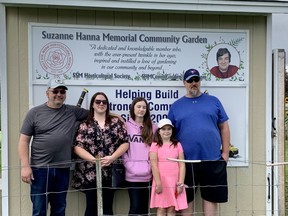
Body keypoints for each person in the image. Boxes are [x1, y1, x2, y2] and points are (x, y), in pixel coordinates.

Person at [18, 78, 88, 216]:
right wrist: (25, 166)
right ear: (47, 93)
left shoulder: (73, 111)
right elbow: (23, 141)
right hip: (40, 169)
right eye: (55, 91)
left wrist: (119, 118)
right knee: (39, 210)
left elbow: (97, 112)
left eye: (62, 91)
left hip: (63, 169)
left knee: (59, 209)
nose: (59, 94)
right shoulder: (35, 113)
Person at [168, 68, 230, 216]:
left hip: (213, 159)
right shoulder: (176, 106)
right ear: (184, 83)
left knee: (210, 200)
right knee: (186, 200)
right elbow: (168, 133)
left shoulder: (214, 101)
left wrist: (225, 154)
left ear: (200, 81)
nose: (193, 83)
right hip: (186, 162)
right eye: (190, 81)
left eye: (196, 80)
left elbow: (224, 127)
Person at [71, 92, 129, 216]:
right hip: (89, 171)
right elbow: (77, 147)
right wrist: (94, 160)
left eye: (104, 102)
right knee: (91, 207)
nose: (101, 104)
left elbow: (125, 143)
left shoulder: (116, 122)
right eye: (98, 101)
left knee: (108, 207)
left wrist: (113, 158)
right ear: (92, 104)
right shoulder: (85, 124)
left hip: (110, 171)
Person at [122, 97, 157, 215]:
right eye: (138, 106)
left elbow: (156, 150)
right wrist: (129, 165)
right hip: (132, 175)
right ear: (133, 108)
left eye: (144, 107)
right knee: (135, 207)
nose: (141, 109)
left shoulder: (153, 127)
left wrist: (150, 167)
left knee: (144, 210)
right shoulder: (125, 126)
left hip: (147, 174)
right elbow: (122, 149)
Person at [149, 118, 187, 215]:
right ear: (159, 131)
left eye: (169, 129)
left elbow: (182, 165)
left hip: (174, 182)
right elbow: (154, 165)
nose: (166, 131)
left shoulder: (177, 145)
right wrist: (158, 183)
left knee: (171, 208)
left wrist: (180, 183)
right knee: (161, 208)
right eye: (163, 129)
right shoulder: (155, 145)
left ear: (172, 130)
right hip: (161, 181)